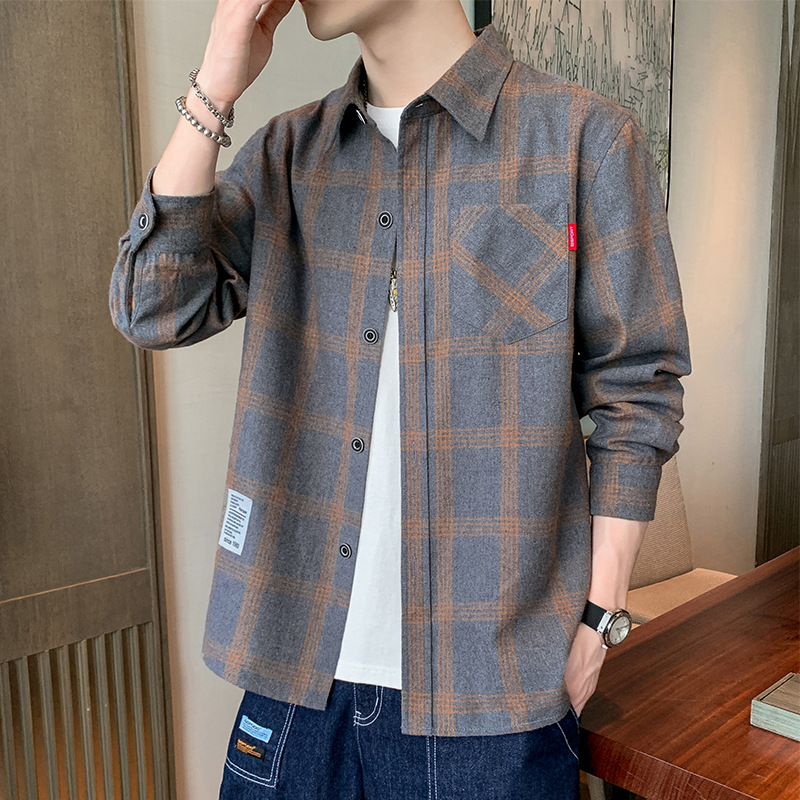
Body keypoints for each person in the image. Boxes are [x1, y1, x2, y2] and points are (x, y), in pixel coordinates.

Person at [109, 0, 691, 797]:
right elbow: (152, 307)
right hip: (293, 682)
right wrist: (216, 81)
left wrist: (600, 617)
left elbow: (638, 386)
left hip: (491, 701)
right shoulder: (287, 154)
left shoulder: (582, 138)